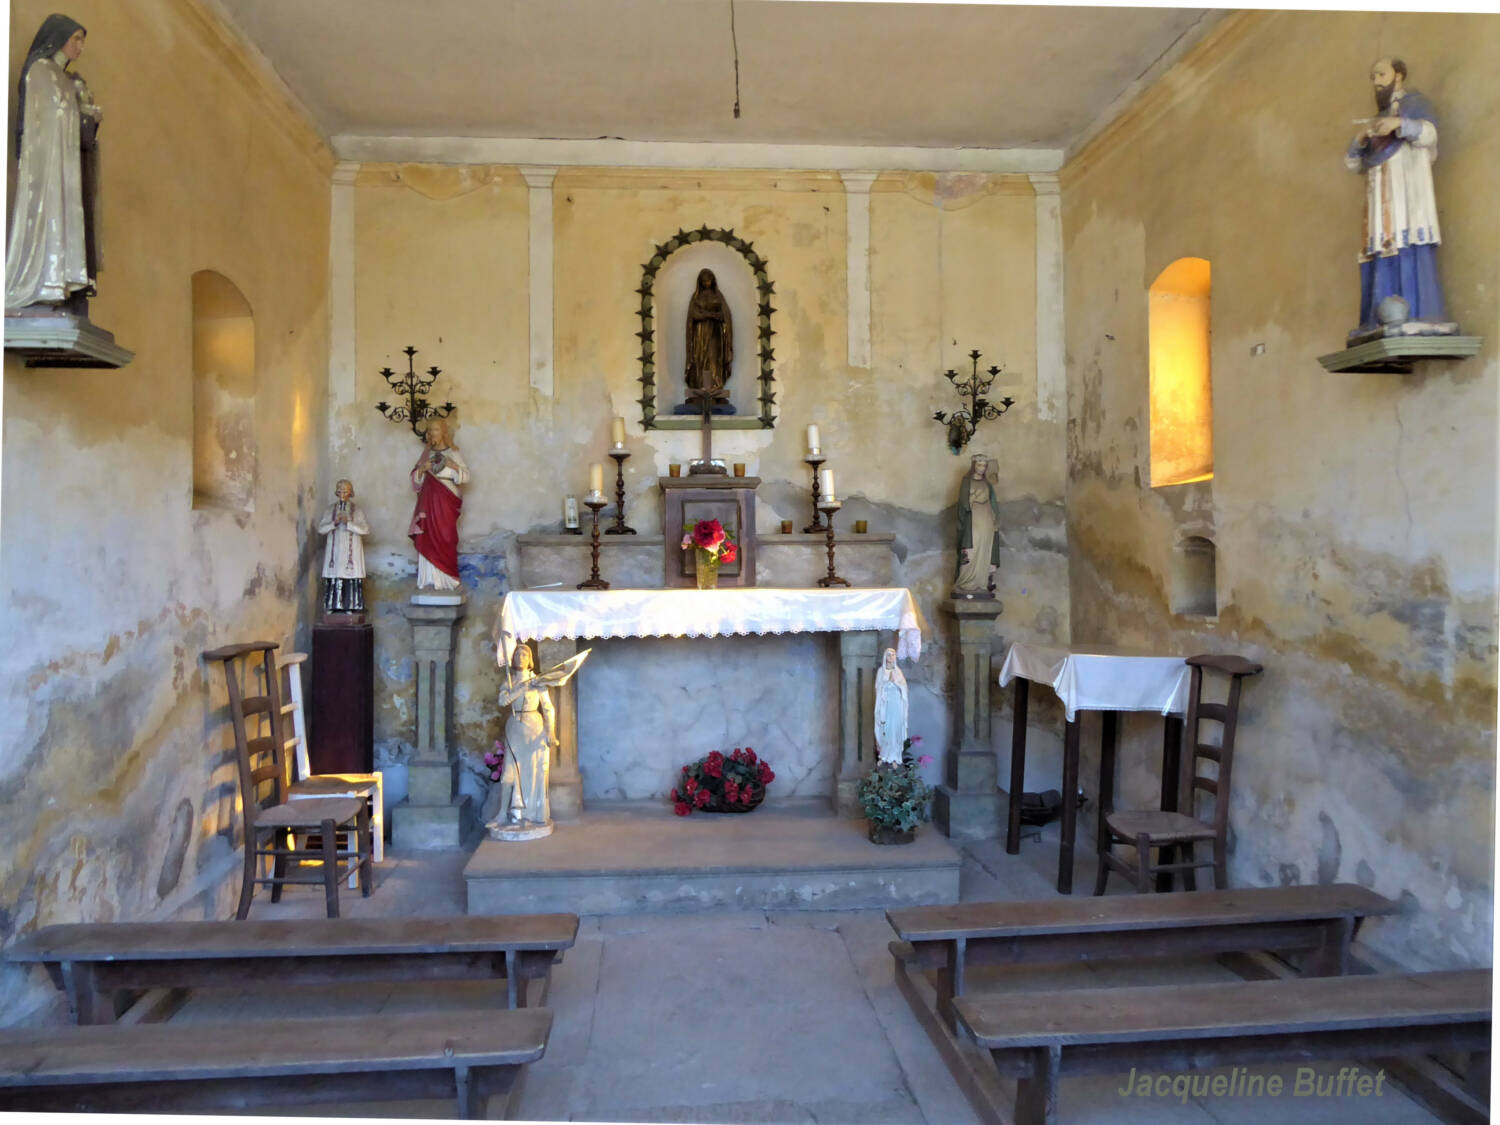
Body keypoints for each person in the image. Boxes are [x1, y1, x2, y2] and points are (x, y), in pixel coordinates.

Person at [1343, 58, 1454, 341]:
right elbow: (1354, 164)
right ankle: (1376, 319)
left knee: (1409, 242)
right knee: (1380, 249)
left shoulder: (1415, 104)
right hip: (1380, 200)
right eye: (1373, 76)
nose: (1376, 81)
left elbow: (1429, 134)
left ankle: (1418, 313)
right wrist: (1360, 139)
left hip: (1408, 195)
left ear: (1399, 75)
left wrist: (1400, 123)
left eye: (1381, 73)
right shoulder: (1376, 120)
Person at [5, 14, 102, 312]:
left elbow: (71, 118)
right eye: (76, 39)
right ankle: (44, 280)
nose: (80, 47)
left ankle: (62, 278)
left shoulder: (67, 79)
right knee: (50, 213)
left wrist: (87, 113)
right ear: (58, 37)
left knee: (70, 211)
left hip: (66, 166)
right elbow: (45, 119)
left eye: (82, 41)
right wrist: (79, 111)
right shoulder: (41, 71)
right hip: (46, 166)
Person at [495, 645, 558, 831]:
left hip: (534, 728)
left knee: (533, 773)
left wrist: (551, 732)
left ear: (530, 659)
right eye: (517, 654)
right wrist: (520, 688)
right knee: (509, 773)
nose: (520, 657)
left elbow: (548, 708)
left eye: (524, 654)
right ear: (512, 659)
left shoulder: (538, 681)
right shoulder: (509, 681)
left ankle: (532, 814)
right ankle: (503, 811)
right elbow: (502, 701)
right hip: (515, 728)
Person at [408, 417, 470, 590]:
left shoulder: (453, 453)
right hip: (428, 502)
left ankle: (448, 581)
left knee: (446, 536)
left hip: (446, 501)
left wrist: (454, 467)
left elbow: (466, 477)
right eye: (429, 430)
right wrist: (422, 469)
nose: (431, 433)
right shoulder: (426, 454)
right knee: (428, 536)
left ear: (443, 432)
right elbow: (415, 481)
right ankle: (429, 580)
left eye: (435, 429)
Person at [317, 479, 370, 614]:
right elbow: (321, 529)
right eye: (339, 490)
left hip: (351, 551)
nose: (342, 493)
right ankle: (332, 606)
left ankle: (350, 605)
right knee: (334, 576)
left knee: (350, 577)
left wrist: (349, 523)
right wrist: (334, 523)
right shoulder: (330, 509)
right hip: (334, 551)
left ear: (350, 493)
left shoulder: (357, 510)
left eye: (345, 491)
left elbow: (365, 530)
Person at [684, 268, 733, 408]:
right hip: (699, 335)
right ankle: (700, 388)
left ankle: (715, 389)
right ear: (700, 281)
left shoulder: (718, 296)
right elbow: (693, 315)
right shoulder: (696, 297)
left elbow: (726, 316)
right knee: (700, 359)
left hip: (715, 335)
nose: (707, 283)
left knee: (713, 358)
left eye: (709, 280)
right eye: (704, 281)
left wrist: (719, 317)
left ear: (713, 281)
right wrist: (710, 315)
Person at [954, 453, 1000, 597]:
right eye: (979, 465)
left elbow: (993, 503)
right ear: (974, 466)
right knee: (971, 549)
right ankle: (964, 583)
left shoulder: (987, 484)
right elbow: (962, 503)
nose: (982, 468)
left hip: (986, 517)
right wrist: (971, 501)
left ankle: (981, 583)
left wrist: (995, 519)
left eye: (984, 466)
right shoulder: (966, 481)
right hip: (972, 518)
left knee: (985, 549)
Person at [873, 648, 909, 766]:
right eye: (889, 655)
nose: (891, 657)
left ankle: (894, 757)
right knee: (885, 729)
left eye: (893, 655)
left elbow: (904, 689)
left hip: (896, 705)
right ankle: (884, 755)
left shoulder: (898, 672)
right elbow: (878, 688)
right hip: (885, 706)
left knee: (895, 730)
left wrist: (896, 682)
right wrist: (887, 682)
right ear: (885, 657)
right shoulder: (881, 672)